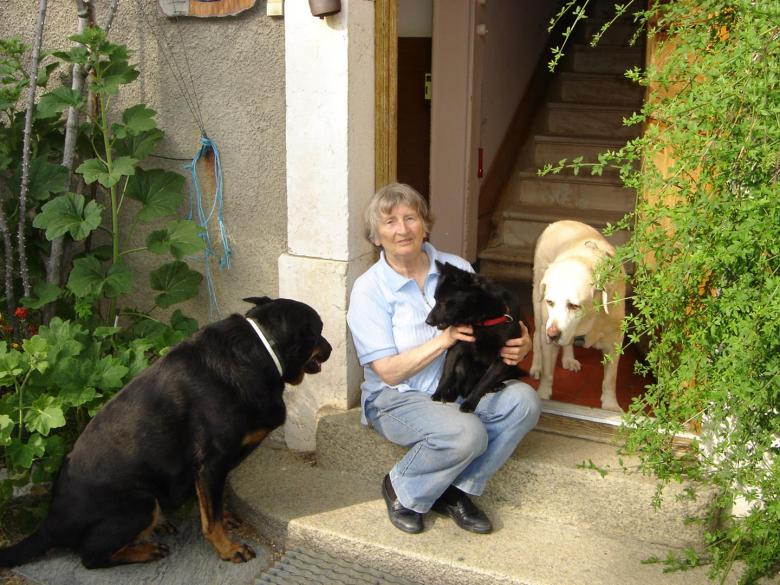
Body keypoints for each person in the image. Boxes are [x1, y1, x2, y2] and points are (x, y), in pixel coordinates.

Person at [346, 182, 541, 535]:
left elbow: (498, 314)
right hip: (397, 397)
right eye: (389, 222)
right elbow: (388, 372)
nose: (402, 229)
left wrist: (522, 341)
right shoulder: (369, 290)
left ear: (426, 224)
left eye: (411, 218)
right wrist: (445, 339)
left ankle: (455, 491)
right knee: (467, 432)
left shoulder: (456, 266)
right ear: (375, 237)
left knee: (523, 401)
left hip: (460, 384)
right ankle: (402, 488)